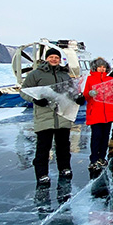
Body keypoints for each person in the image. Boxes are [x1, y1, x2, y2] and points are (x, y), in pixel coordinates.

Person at [20, 48, 85, 184]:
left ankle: (64, 168)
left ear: (60, 60)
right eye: (51, 57)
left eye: (56, 57)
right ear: (46, 58)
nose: (54, 59)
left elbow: (71, 92)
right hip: (45, 116)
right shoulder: (36, 74)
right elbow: (24, 91)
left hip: (63, 115)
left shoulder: (64, 75)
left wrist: (78, 99)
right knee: (43, 147)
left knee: (63, 146)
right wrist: (35, 100)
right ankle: (42, 173)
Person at [84, 57, 113, 174]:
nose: (102, 69)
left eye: (103, 67)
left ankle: (102, 157)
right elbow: (85, 95)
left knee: (105, 137)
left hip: (108, 113)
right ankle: (93, 159)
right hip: (95, 113)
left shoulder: (110, 79)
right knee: (96, 136)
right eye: (99, 67)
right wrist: (89, 93)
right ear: (95, 68)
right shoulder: (89, 79)